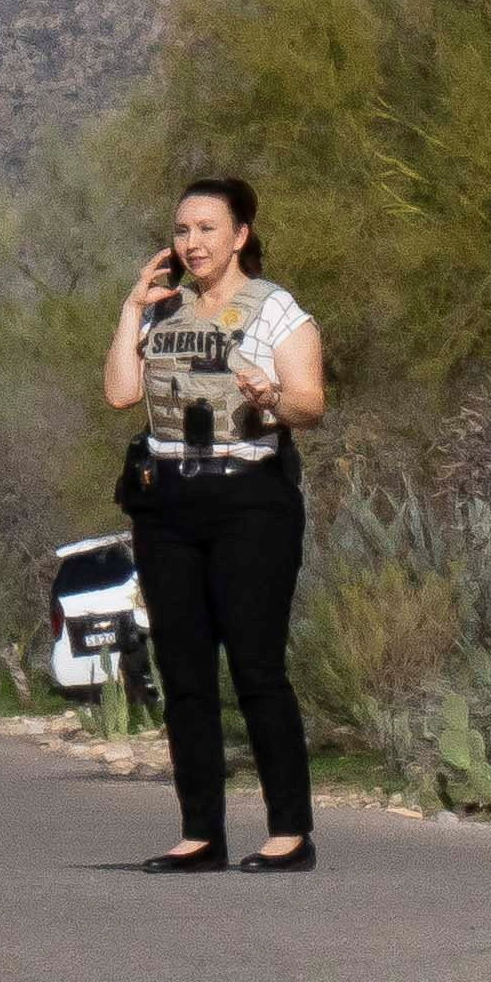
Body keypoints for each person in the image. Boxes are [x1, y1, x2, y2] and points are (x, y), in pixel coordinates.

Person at [99, 174, 330, 874]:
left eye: (207, 229)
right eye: (182, 230)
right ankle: (201, 833)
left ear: (240, 235)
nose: (192, 243)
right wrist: (130, 310)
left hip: (249, 498)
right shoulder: (161, 312)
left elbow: (311, 406)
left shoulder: (276, 310)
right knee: (184, 671)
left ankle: (289, 832)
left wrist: (272, 394)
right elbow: (121, 393)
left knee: (256, 667)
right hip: (168, 502)